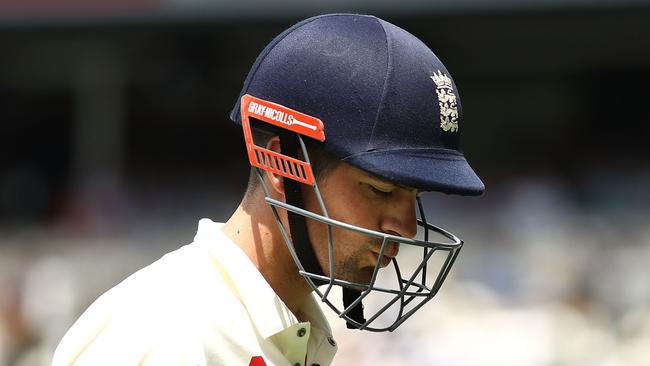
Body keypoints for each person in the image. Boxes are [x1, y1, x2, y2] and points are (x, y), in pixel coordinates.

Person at [52, 13, 484, 366]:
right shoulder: (168, 335)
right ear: (283, 164)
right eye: (380, 191)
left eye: (416, 198)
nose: (405, 229)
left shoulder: (294, 334)